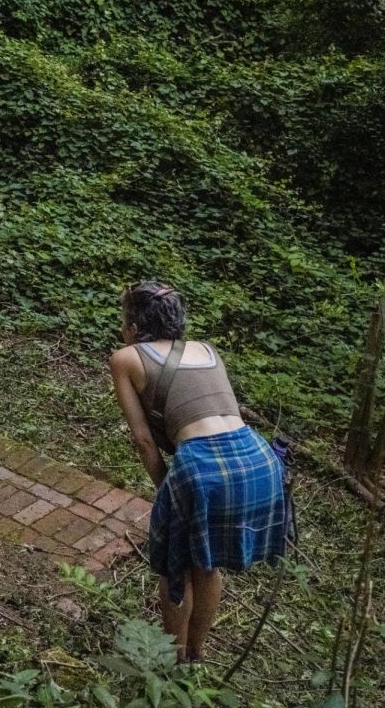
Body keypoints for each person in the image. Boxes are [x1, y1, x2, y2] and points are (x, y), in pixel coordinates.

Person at [109, 281, 288, 662]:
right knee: (204, 564)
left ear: (135, 326)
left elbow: (143, 439)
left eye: (124, 320)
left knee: (177, 570)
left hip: (202, 467)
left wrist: (166, 489)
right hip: (259, 460)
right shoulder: (207, 349)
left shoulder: (125, 357)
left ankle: (172, 663)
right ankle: (195, 654)